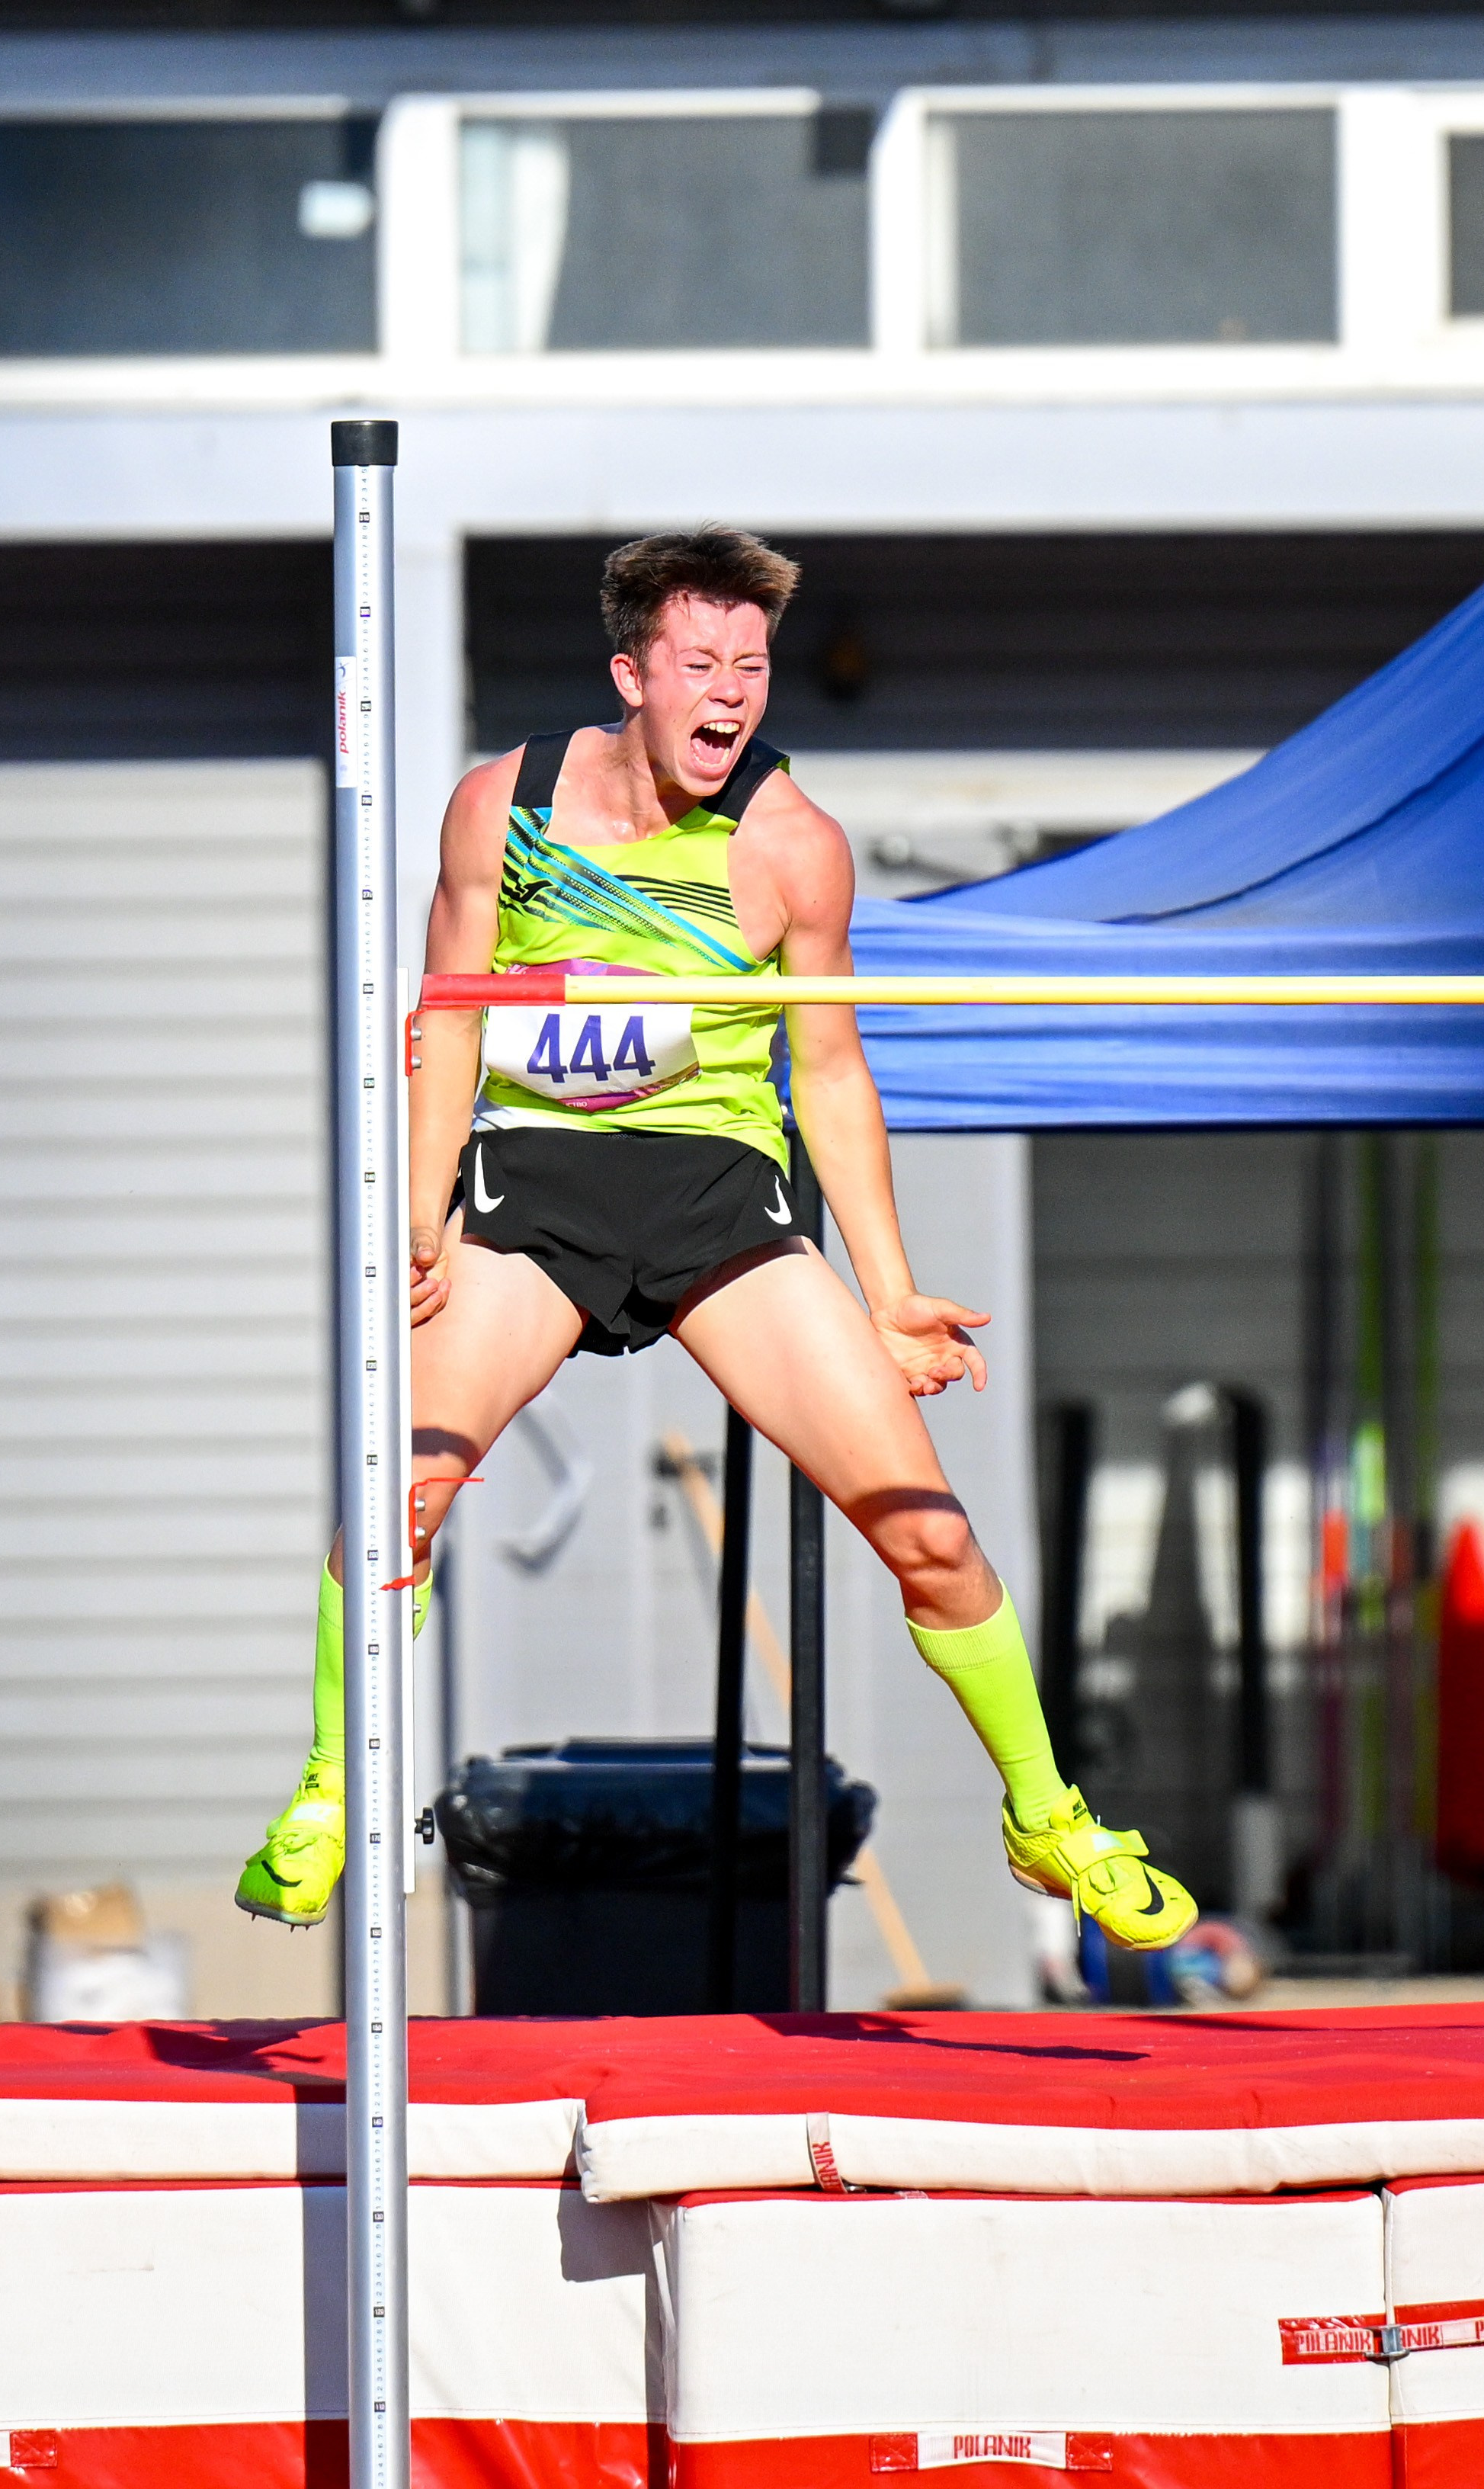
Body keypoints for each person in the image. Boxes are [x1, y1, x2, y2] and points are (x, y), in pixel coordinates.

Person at [236, 526, 1197, 1953]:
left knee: (924, 1530)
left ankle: (1045, 1809)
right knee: (401, 1495)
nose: (732, 694)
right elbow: (444, 1015)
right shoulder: (503, 806)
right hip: (535, 1192)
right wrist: (422, 1206)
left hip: (715, 1202)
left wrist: (890, 1292)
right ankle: (335, 1779)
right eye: (701, 664)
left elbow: (830, 1072)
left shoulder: (793, 843)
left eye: (750, 667)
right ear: (631, 672)